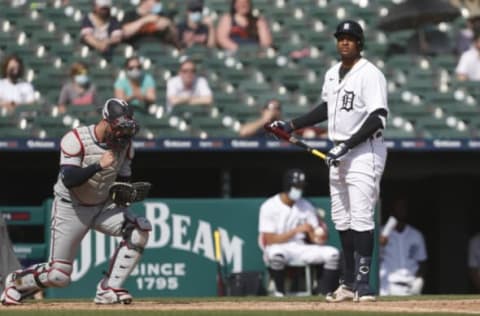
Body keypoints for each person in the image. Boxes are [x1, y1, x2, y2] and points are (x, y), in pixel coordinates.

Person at [268, 20, 388, 302]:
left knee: (360, 216)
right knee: (342, 219)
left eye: (350, 38)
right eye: (341, 37)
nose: (344, 42)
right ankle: (347, 284)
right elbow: (326, 107)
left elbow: (378, 117)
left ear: (360, 43)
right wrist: (291, 124)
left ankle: (363, 283)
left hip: (364, 150)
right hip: (338, 151)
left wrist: (347, 145)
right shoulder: (333, 73)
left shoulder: (370, 74)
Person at [0, 98, 151, 305]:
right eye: (119, 128)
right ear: (106, 121)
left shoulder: (126, 146)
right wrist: (98, 165)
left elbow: (123, 180)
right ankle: (15, 282)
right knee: (58, 276)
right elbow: (69, 180)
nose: (123, 135)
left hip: (102, 206)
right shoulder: (76, 139)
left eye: (127, 129)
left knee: (139, 228)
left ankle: (108, 289)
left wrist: (125, 195)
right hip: (71, 207)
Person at [258, 168, 340, 297]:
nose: (299, 189)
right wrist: (296, 230)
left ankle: (323, 293)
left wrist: (317, 236)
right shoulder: (269, 206)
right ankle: (280, 293)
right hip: (278, 247)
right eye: (296, 186)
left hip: (301, 247)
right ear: (287, 186)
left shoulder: (306, 205)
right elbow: (269, 239)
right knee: (276, 255)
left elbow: (316, 235)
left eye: (301, 186)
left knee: (333, 254)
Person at [379, 198, 427, 296]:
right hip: (387, 286)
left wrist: (419, 279)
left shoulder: (416, 235)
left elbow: (422, 262)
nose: (401, 210)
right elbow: (373, 257)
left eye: (404, 207)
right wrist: (383, 237)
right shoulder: (382, 233)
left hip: (410, 285)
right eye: (399, 207)